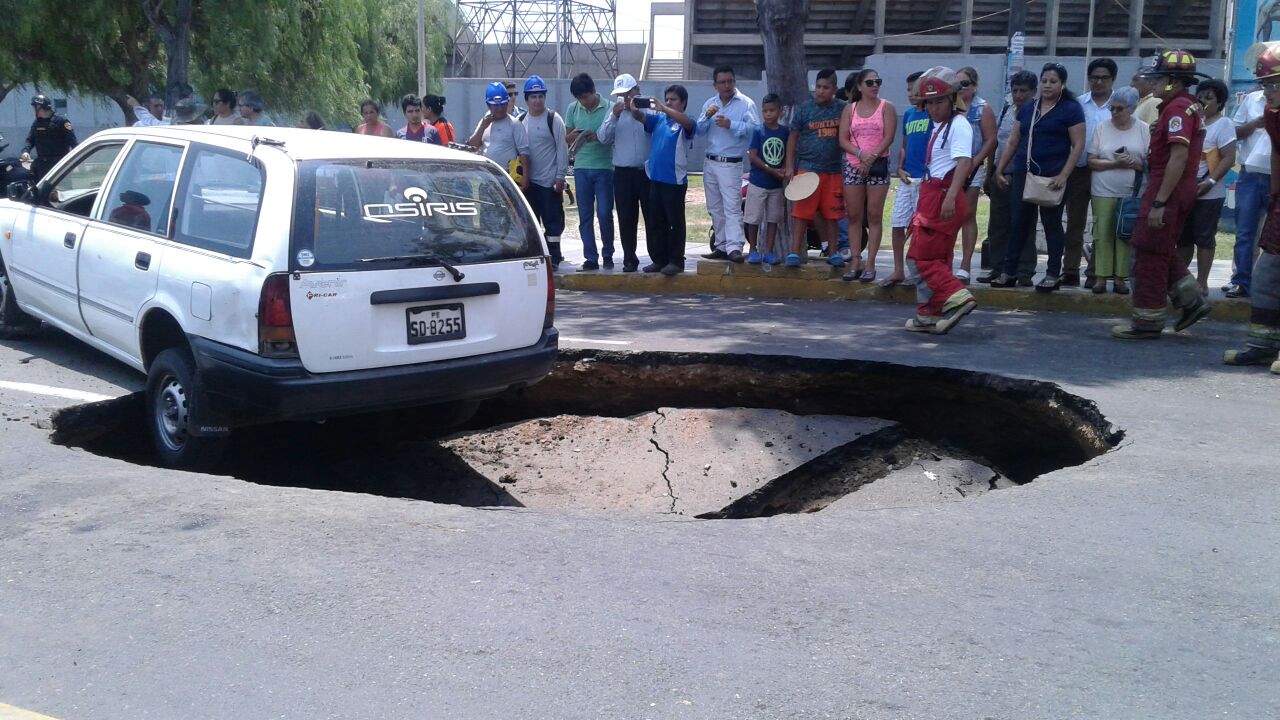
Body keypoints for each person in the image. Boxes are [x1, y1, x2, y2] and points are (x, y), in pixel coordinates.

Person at [1111, 49, 1212, 340]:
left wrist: (1159, 202)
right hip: (1173, 189)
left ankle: (1147, 321)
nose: (1152, 84)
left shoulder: (1178, 110)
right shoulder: (1184, 106)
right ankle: (1191, 301)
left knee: (1148, 254)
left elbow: (1177, 158)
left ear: (1173, 81)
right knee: (1160, 249)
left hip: (1167, 190)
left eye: (1158, 79)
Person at [991, 62, 1086, 292]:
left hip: (1052, 175)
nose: (1047, 85)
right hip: (1024, 172)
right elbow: (1013, 140)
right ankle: (1009, 271)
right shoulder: (1028, 108)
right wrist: (1000, 169)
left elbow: (1078, 145)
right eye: (1044, 81)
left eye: (1053, 81)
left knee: (1052, 224)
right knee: (1018, 224)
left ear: (1062, 84)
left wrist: (1064, 175)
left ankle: (1053, 274)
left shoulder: (1070, 109)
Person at [903, 66, 977, 335]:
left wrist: (952, 196)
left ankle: (957, 296)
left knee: (918, 258)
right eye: (929, 102)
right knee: (938, 258)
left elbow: (964, 163)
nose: (933, 108)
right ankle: (929, 314)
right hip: (936, 193)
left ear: (952, 99)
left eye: (939, 101)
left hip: (943, 195)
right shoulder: (943, 125)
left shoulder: (958, 125)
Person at [1224, 43, 1280, 373]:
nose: (1268, 91)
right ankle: (1261, 345)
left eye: (1275, 83)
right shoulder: (1272, 117)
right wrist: (1276, 197)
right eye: (1266, 84)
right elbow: (1277, 154)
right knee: (1266, 275)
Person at [1086, 86, 1148, 295]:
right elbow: (1092, 161)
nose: (1114, 113)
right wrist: (1114, 164)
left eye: (1119, 109)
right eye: (1112, 108)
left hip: (1130, 191)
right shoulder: (1102, 128)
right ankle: (1101, 277)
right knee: (1102, 233)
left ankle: (1121, 278)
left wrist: (1133, 163)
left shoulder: (1143, 129)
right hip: (1102, 189)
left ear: (1132, 109)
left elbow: (1149, 165)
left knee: (1125, 235)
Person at [978, 70, 1038, 285]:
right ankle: (998, 267)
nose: (1019, 95)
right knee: (998, 224)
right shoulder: (1006, 110)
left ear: (1033, 92)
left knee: (1024, 224)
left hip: (1024, 174)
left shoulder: (1037, 112)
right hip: (999, 173)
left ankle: (1024, 271)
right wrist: (991, 172)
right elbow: (995, 141)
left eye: (1024, 91)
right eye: (1015, 91)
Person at [1063, 57, 1118, 288]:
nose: (1099, 82)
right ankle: (1070, 270)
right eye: (1094, 77)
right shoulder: (1078, 104)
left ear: (1112, 79)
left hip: (1107, 171)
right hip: (1078, 169)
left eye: (1104, 78)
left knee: (1102, 224)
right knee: (1075, 223)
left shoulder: (1119, 105)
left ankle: (1097, 272)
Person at [785, 68, 848, 268]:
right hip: (807, 169)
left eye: (825, 88)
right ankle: (794, 252)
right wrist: (789, 166)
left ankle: (834, 251)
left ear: (834, 89)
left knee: (832, 213)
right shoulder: (804, 109)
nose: (820, 91)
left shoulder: (842, 109)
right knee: (801, 213)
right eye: (818, 87)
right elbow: (793, 137)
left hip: (833, 170)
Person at [1178, 79, 1236, 294]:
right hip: (1185, 189)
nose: (1203, 101)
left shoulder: (1224, 124)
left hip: (1210, 192)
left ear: (1219, 103)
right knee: (1182, 238)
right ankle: (1180, 281)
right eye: (1200, 96)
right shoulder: (1189, 121)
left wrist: (1210, 182)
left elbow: (1229, 157)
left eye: (1209, 98)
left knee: (1204, 237)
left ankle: (1202, 282)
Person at [838, 68, 896, 279]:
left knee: (874, 215)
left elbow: (888, 137)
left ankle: (871, 262)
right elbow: (843, 139)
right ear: (860, 86)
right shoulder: (850, 110)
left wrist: (871, 158)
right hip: (854, 164)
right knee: (854, 215)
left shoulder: (886, 107)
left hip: (878, 165)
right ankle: (856, 260)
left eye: (877, 82)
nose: (875, 86)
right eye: (870, 83)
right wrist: (861, 154)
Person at [697, 66, 759, 263]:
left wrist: (731, 124)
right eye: (722, 82)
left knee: (732, 206)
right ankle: (721, 245)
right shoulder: (710, 103)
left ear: (734, 82)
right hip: (711, 161)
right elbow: (698, 130)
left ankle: (735, 247)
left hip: (731, 163)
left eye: (730, 81)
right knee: (714, 207)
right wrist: (707, 116)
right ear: (715, 85)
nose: (727, 86)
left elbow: (755, 130)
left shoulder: (745, 103)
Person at [597, 73, 653, 272]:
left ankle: (656, 256)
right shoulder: (614, 112)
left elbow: (657, 127)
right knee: (626, 217)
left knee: (652, 215)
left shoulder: (648, 106)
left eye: (627, 94)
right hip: (622, 172)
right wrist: (614, 116)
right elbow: (602, 137)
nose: (624, 99)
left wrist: (639, 113)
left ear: (636, 90)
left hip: (646, 171)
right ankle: (629, 257)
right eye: (620, 95)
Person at [641, 85, 696, 276]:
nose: (669, 102)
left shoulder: (685, 122)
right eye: (667, 99)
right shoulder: (659, 120)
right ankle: (659, 259)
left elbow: (689, 125)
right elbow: (642, 119)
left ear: (683, 103)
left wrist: (665, 109)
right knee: (656, 221)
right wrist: (633, 108)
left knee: (675, 222)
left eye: (673, 99)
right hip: (656, 178)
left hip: (674, 180)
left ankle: (676, 260)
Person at [883, 72, 931, 287]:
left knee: (920, 228)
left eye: (915, 89)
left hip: (926, 179)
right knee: (898, 223)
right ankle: (898, 270)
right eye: (908, 89)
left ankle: (918, 271)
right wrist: (900, 169)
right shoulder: (910, 115)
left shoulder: (933, 115)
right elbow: (904, 145)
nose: (911, 93)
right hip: (907, 179)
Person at [565, 73, 615, 271]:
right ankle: (590, 257)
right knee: (584, 215)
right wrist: (573, 136)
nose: (583, 102)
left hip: (604, 167)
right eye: (579, 99)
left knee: (604, 213)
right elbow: (567, 139)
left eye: (585, 97)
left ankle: (608, 252)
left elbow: (613, 136)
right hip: (581, 167)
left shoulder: (609, 107)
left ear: (594, 91)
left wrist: (599, 136)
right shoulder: (573, 108)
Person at [519, 75, 568, 269]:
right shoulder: (520, 121)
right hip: (528, 184)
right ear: (527, 99)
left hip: (549, 183)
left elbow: (562, 149)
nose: (537, 100)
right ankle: (536, 257)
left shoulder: (553, 119)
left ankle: (554, 258)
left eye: (540, 96)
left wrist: (560, 177)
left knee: (553, 223)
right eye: (533, 97)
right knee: (530, 224)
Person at [1229, 83, 1272, 298]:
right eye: (1267, 82)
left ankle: (1271, 284)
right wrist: (1255, 124)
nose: (1269, 88)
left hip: (1276, 174)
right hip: (1250, 173)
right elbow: (1234, 132)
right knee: (1245, 231)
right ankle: (1242, 281)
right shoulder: (1251, 100)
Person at [956, 66, 997, 283]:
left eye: (965, 84)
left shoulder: (982, 108)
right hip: (951, 167)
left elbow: (990, 139)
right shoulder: (950, 106)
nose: (961, 88)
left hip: (973, 166)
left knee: (967, 213)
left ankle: (965, 265)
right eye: (958, 83)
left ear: (974, 86)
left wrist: (976, 161)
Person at [743, 93, 788, 264]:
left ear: (780, 111)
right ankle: (753, 249)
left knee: (773, 219)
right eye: (765, 111)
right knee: (753, 218)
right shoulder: (757, 131)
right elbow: (753, 156)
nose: (768, 114)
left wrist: (783, 171)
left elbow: (786, 155)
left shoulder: (785, 132)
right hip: (758, 182)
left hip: (776, 185)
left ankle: (768, 251)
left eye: (772, 110)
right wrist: (772, 170)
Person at [467, 81, 530, 192]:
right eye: (496, 106)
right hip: (487, 179)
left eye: (502, 104)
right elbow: (473, 146)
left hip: (508, 179)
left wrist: (525, 179)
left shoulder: (515, 124)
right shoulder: (485, 122)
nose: (500, 109)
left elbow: (524, 154)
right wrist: (483, 127)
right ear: (488, 105)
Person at [20, 94, 77, 182]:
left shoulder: (61, 121)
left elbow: (73, 142)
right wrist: (25, 151)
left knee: (61, 192)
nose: (33, 110)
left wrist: (77, 162)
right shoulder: (36, 123)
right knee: (42, 192)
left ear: (39, 107)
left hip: (59, 165)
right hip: (42, 166)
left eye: (34, 107)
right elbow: (30, 140)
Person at [1134, 60, 1162, 127]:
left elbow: (1151, 131)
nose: (1131, 84)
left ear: (1150, 82)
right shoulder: (1143, 102)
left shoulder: (1154, 102)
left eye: (1136, 80)